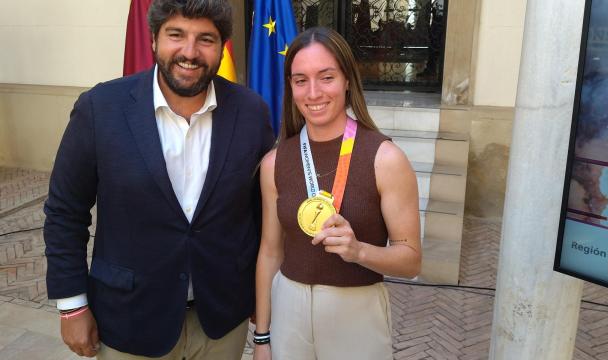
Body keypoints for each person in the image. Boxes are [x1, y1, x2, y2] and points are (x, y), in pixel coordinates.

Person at [43, 0, 274, 358]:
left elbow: (260, 216)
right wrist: (72, 305)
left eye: (205, 39)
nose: (190, 52)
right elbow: (64, 211)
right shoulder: (100, 108)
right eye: (176, 35)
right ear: (153, 39)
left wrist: (262, 297)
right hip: (129, 320)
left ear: (222, 46)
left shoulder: (251, 112)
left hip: (221, 322)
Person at [253, 27, 421, 360]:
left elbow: (411, 260)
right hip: (289, 309)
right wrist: (262, 337)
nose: (313, 93)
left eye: (326, 77)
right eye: (301, 80)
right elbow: (270, 253)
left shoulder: (385, 158)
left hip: (356, 311)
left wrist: (359, 251)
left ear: (347, 80)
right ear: (291, 87)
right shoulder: (275, 162)